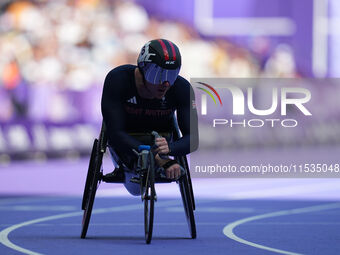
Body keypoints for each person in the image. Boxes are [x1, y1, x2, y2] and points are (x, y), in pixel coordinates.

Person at [101, 39, 199, 195]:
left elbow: (193, 139)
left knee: (154, 155)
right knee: (138, 165)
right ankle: (159, 162)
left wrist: (170, 148)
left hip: (162, 142)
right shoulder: (117, 80)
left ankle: (158, 161)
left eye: (171, 74)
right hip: (126, 141)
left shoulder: (181, 88)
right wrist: (153, 155)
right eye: (157, 74)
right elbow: (114, 133)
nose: (165, 83)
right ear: (143, 69)